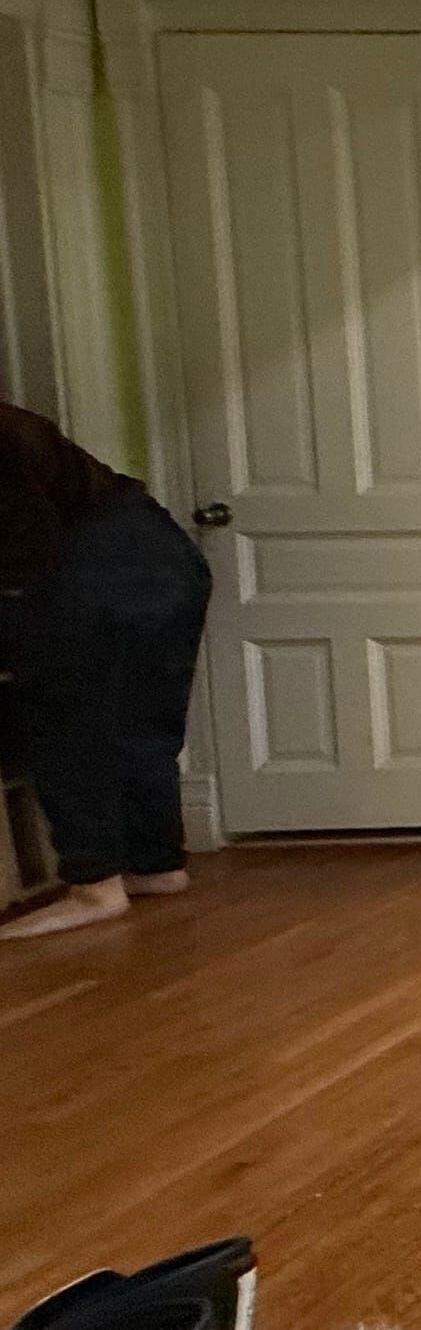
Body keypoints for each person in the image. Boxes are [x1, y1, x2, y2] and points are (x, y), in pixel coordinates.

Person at [0, 396, 212, 938]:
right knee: (141, 723)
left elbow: (26, 543)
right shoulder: (13, 426)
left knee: (61, 724)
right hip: (159, 550)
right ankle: (155, 863)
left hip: (85, 565)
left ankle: (94, 885)